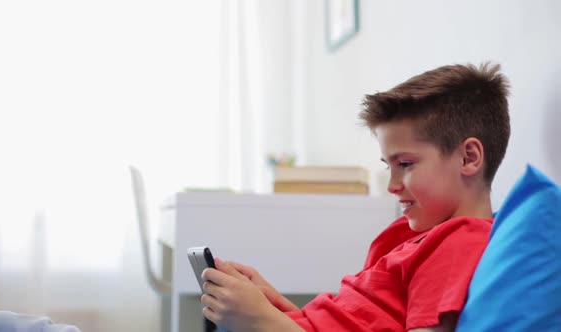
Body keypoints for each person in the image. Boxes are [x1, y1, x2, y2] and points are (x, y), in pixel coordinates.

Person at [201, 63, 510, 332]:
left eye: (405, 164)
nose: (392, 185)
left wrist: (262, 321)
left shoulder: (459, 242)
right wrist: (271, 305)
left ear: (468, 158)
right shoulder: (411, 234)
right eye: (388, 166)